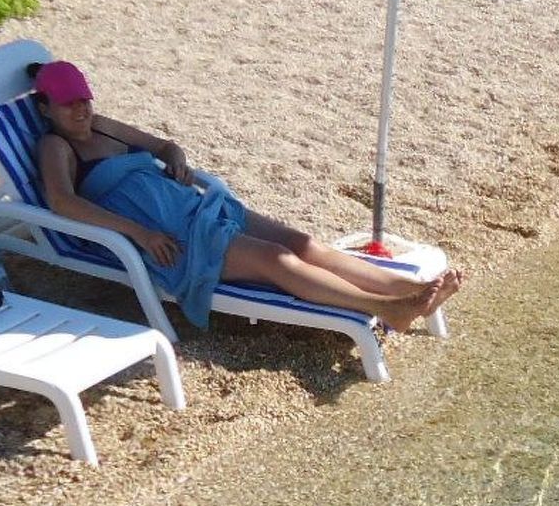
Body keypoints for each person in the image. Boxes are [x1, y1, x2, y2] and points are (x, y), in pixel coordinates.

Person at [28, 60, 460, 333]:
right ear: (46, 108)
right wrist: (140, 234)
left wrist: (176, 160)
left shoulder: (102, 125)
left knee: (304, 243)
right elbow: (63, 203)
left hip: (196, 207)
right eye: (68, 104)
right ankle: (386, 307)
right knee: (277, 259)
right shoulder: (56, 147)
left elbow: (163, 146)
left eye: (83, 99)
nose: (80, 109)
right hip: (172, 240)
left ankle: (411, 290)